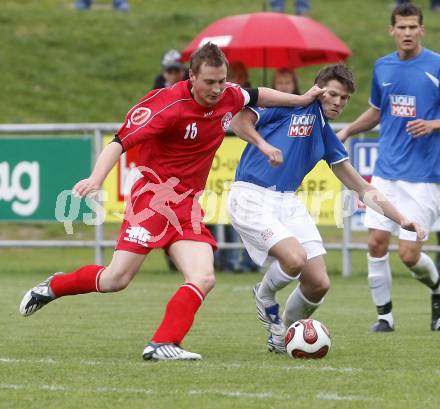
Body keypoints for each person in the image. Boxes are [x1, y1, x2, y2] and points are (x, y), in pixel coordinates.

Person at [19, 43, 325, 361]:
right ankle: (54, 286)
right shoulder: (166, 104)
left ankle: (163, 343)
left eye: (222, 81)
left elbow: (257, 94)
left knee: (204, 277)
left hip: (188, 205)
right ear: (191, 76)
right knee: (116, 279)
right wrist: (96, 179)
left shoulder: (229, 95)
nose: (218, 89)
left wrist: (301, 100)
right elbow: (118, 142)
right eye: (210, 82)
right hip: (152, 199)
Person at [228, 63, 424, 353]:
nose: (337, 102)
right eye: (332, 94)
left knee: (318, 283)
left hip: (286, 201)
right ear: (318, 90)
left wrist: (402, 219)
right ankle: (265, 294)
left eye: (344, 98)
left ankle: (281, 335)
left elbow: (361, 187)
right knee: (294, 260)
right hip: (250, 196)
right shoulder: (287, 106)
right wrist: (263, 145)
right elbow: (237, 122)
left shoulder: (326, 135)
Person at [337, 4, 440, 332]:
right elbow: (376, 112)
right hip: (385, 173)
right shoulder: (383, 68)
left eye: (413, 27)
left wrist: (433, 124)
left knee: (409, 254)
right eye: (402, 27)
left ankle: (437, 290)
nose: (407, 33)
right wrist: (348, 129)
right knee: (376, 243)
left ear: (422, 30)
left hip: (424, 176)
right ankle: (384, 317)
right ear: (392, 31)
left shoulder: (436, 65)